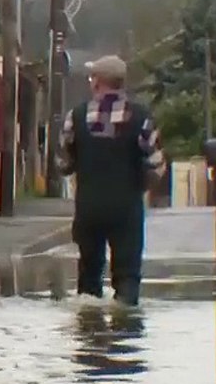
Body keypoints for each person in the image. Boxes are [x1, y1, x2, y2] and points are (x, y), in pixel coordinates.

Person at [58, 55, 166, 307]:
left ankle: (89, 325)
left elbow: (63, 163)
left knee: (89, 275)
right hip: (126, 206)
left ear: (97, 82)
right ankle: (125, 324)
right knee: (128, 275)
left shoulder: (76, 116)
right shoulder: (142, 117)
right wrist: (141, 184)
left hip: (89, 206)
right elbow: (157, 163)